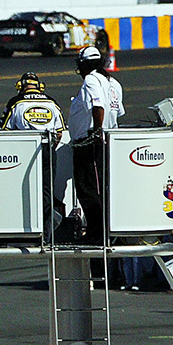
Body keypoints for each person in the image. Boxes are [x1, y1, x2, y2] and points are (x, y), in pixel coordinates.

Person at [1, 72, 71, 223]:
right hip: (48, 149)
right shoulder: (52, 102)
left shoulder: (16, 102)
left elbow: (2, 131)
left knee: (22, 188)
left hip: (25, 151)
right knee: (47, 191)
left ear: (21, 86)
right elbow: (60, 133)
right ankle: (45, 231)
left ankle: (24, 223)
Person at [68, 46, 111, 246]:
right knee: (92, 188)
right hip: (98, 142)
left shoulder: (91, 80)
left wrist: (96, 130)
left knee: (89, 188)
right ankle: (98, 228)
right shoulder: (111, 81)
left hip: (90, 143)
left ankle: (97, 230)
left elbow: (98, 105)